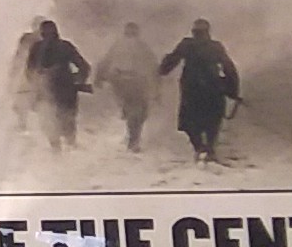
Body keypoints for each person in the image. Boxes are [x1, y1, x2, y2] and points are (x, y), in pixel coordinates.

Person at [159, 17, 242, 162]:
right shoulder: (215, 47)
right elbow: (229, 69)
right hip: (213, 89)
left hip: (192, 90)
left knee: (190, 122)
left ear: (193, 32)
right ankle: (208, 148)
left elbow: (171, 61)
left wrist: (161, 69)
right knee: (212, 121)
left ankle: (199, 147)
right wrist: (232, 90)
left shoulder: (187, 45)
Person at [23, 18, 91, 150]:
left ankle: (62, 150)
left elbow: (30, 71)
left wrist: (76, 81)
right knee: (62, 122)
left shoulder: (39, 48)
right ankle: (66, 150)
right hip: (60, 91)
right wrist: (77, 81)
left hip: (56, 91)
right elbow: (84, 67)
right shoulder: (61, 46)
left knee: (57, 122)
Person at [92, 21, 159, 152]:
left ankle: (131, 133)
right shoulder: (142, 46)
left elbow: (105, 62)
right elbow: (153, 65)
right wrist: (157, 84)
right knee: (139, 110)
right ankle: (134, 139)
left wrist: (98, 79)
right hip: (137, 81)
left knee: (130, 107)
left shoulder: (117, 45)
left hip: (120, 80)